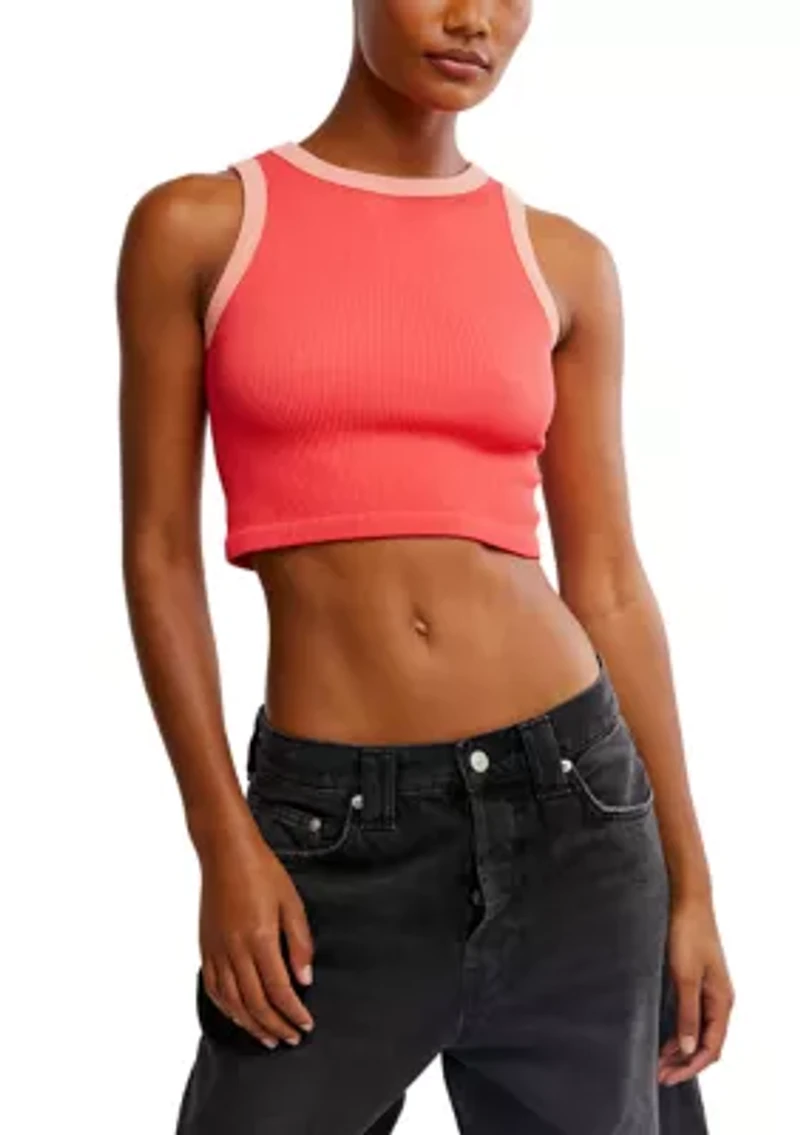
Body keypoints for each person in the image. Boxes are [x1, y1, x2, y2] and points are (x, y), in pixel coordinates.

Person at [117, 2, 733, 1132]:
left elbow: (607, 584)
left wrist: (692, 884)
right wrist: (222, 838)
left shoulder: (562, 262)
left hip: (577, 812)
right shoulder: (201, 226)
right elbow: (158, 553)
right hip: (332, 833)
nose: (472, 20)